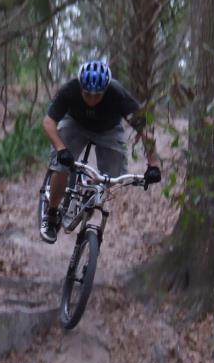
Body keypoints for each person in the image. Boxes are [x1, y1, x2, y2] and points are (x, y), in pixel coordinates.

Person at [39, 59, 162, 243]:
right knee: (61, 166)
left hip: (108, 130)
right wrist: (61, 149)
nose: (92, 99)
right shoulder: (70, 90)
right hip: (75, 124)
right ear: (81, 87)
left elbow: (145, 130)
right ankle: (51, 214)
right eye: (87, 94)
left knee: (112, 178)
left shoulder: (117, 94)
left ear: (106, 89)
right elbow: (48, 123)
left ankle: (89, 186)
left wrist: (153, 164)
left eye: (98, 95)